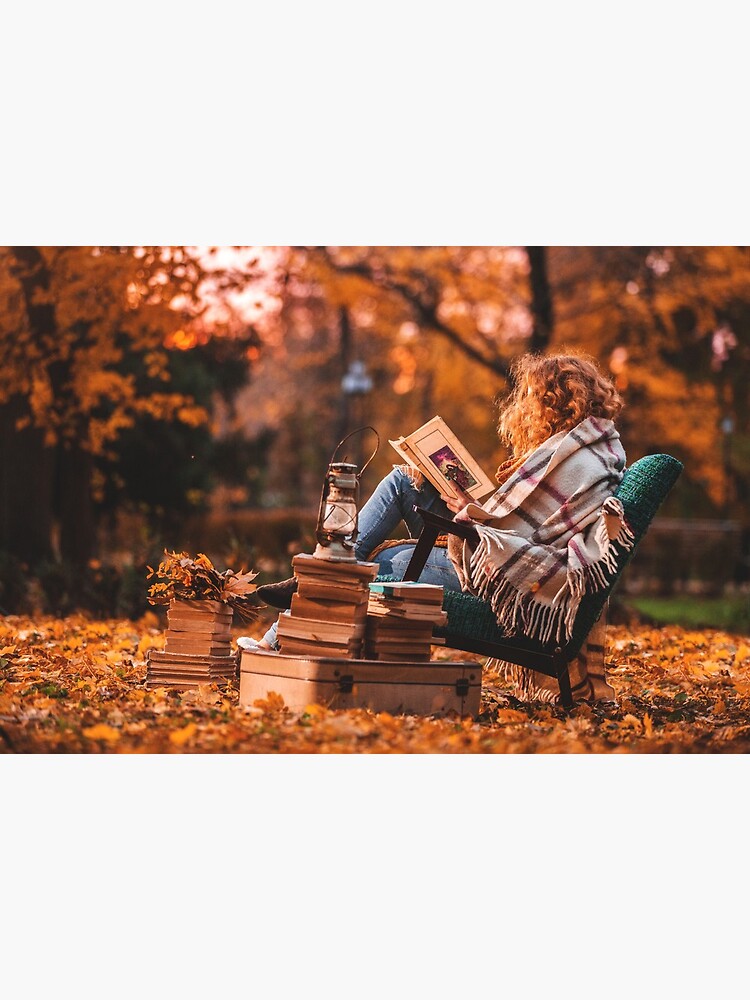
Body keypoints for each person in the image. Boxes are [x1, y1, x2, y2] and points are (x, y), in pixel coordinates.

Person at [243, 352, 632, 704]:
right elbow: (528, 522)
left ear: (552, 402)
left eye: (531, 399)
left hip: (492, 573)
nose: (525, 410)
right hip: (484, 549)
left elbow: (527, 546)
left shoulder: (578, 461)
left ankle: (297, 605)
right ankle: (323, 570)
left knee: (368, 565)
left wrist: (471, 513)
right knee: (403, 481)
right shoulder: (585, 447)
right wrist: (465, 502)